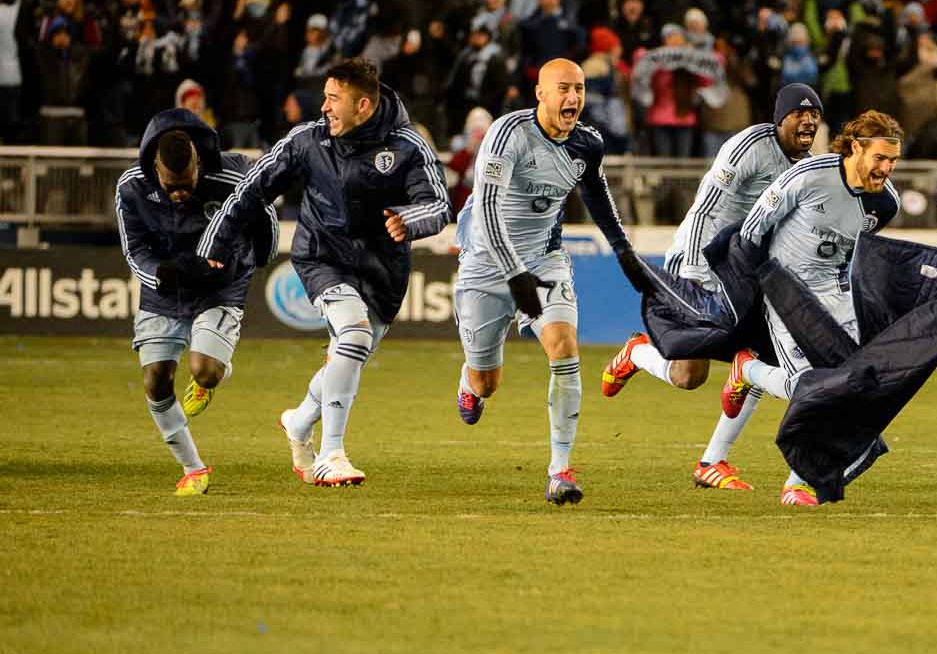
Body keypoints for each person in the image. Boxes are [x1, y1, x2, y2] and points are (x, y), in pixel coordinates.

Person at [198, 59, 451, 486]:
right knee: (353, 336)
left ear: (364, 105)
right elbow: (253, 187)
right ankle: (332, 454)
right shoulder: (307, 140)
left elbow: (440, 204)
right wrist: (216, 239)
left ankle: (299, 421)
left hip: (383, 272)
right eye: (326, 97)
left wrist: (411, 219)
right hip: (323, 256)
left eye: (334, 99)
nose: (325, 107)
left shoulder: (408, 145)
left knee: (348, 358)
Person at [599, 84, 824, 492]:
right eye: (800, 113)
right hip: (700, 263)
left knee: (762, 357)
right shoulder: (749, 146)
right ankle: (638, 353)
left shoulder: (806, 169)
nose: (808, 120)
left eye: (815, 115)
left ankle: (712, 461)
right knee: (689, 376)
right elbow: (705, 205)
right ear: (780, 118)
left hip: (747, 274)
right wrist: (691, 270)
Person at [451, 59, 655, 505]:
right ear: (540, 93)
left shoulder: (587, 144)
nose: (573, 98)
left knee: (564, 347)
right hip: (487, 264)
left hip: (544, 260)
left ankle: (560, 470)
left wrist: (623, 250)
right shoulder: (508, 135)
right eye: (563, 89)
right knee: (487, 381)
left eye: (579, 89)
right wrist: (511, 272)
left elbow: (596, 192)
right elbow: (486, 207)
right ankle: (470, 383)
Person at [720, 111, 903, 506]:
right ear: (856, 148)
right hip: (785, 291)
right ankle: (748, 372)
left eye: (893, 161)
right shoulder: (806, 177)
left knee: (858, 385)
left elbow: (855, 251)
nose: (887, 169)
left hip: (836, 295)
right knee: (812, 388)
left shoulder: (885, 204)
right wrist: (754, 289)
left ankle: (800, 477)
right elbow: (752, 231)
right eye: (880, 158)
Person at [116, 110, 272, 494]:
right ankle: (193, 468)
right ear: (155, 167)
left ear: (198, 163)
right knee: (155, 380)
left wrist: (254, 256)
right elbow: (133, 248)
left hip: (220, 283)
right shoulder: (131, 187)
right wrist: (161, 274)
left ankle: (210, 378)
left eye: (187, 183)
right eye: (171, 186)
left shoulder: (232, 176)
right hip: (164, 285)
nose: (180, 193)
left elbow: (264, 216)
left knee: (205, 371)